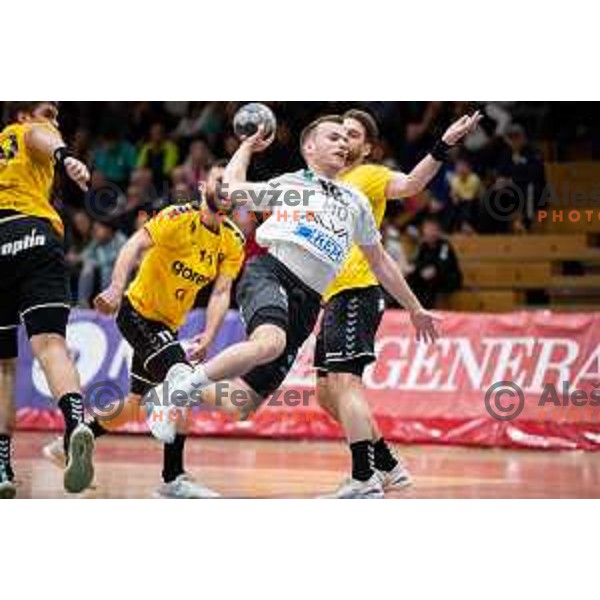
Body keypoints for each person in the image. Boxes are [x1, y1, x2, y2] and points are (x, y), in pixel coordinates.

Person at [144, 116, 441, 499]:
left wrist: (415, 308)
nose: (341, 143)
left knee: (242, 404)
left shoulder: (355, 203)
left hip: (309, 303)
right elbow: (233, 189)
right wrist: (247, 147)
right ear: (309, 149)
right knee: (268, 342)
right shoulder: (294, 187)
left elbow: (381, 262)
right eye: (331, 137)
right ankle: (178, 392)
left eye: (344, 138)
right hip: (271, 273)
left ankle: (176, 385)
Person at [42, 161, 245, 498]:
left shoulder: (232, 240)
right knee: (183, 379)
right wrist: (115, 288)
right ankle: (173, 477)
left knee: (136, 403)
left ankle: (65, 445)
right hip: (137, 312)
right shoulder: (178, 218)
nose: (227, 188)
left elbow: (222, 292)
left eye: (234, 183)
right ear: (201, 186)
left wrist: (209, 335)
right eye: (220, 180)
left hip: (168, 324)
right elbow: (133, 245)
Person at [313, 109, 480, 497]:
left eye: (352, 135)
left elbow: (411, 183)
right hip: (332, 296)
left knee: (346, 383)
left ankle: (363, 478)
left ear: (367, 147)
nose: (342, 140)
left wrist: (444, 144)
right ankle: (388, 465)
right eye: (338, 134)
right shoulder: (325, 184)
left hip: (358, 289)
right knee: (326, 394)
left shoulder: (368, 175)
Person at [0, 101, 94, 498]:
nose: (54, 121)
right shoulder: (20, 132)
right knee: (51, 345)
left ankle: (2, 466)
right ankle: (75, 425)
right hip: (33, 235)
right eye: (47, 111)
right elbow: (39, 135)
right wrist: (65, 156)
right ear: (22, 115)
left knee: (3, 368)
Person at [406, 216, 463, 308]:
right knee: (413, 278)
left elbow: (443, 264)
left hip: (446, 277)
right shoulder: (423, 246)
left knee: (433, 281)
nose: (429, 232)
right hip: (427, 276)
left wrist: (434, 270)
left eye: (432, 229)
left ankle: (429, 307)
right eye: (427, 229)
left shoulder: (444, 245)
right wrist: (419, 270)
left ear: (438, 231)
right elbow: (417, 262)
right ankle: (412, 306)